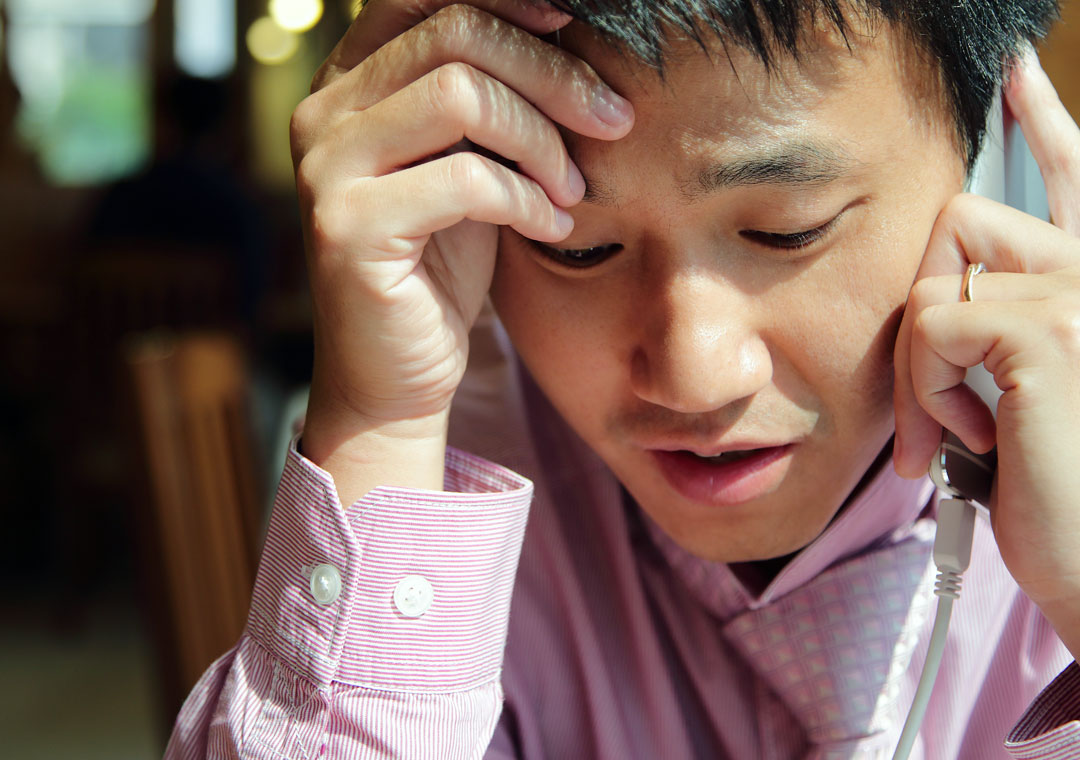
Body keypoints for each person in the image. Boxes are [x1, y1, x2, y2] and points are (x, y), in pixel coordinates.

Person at [166, 0, 1080, 757]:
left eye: (787, 231)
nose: (692, 377)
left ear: (993, 162)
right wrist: (385, 425)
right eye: (581, 250)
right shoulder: (439, 490)